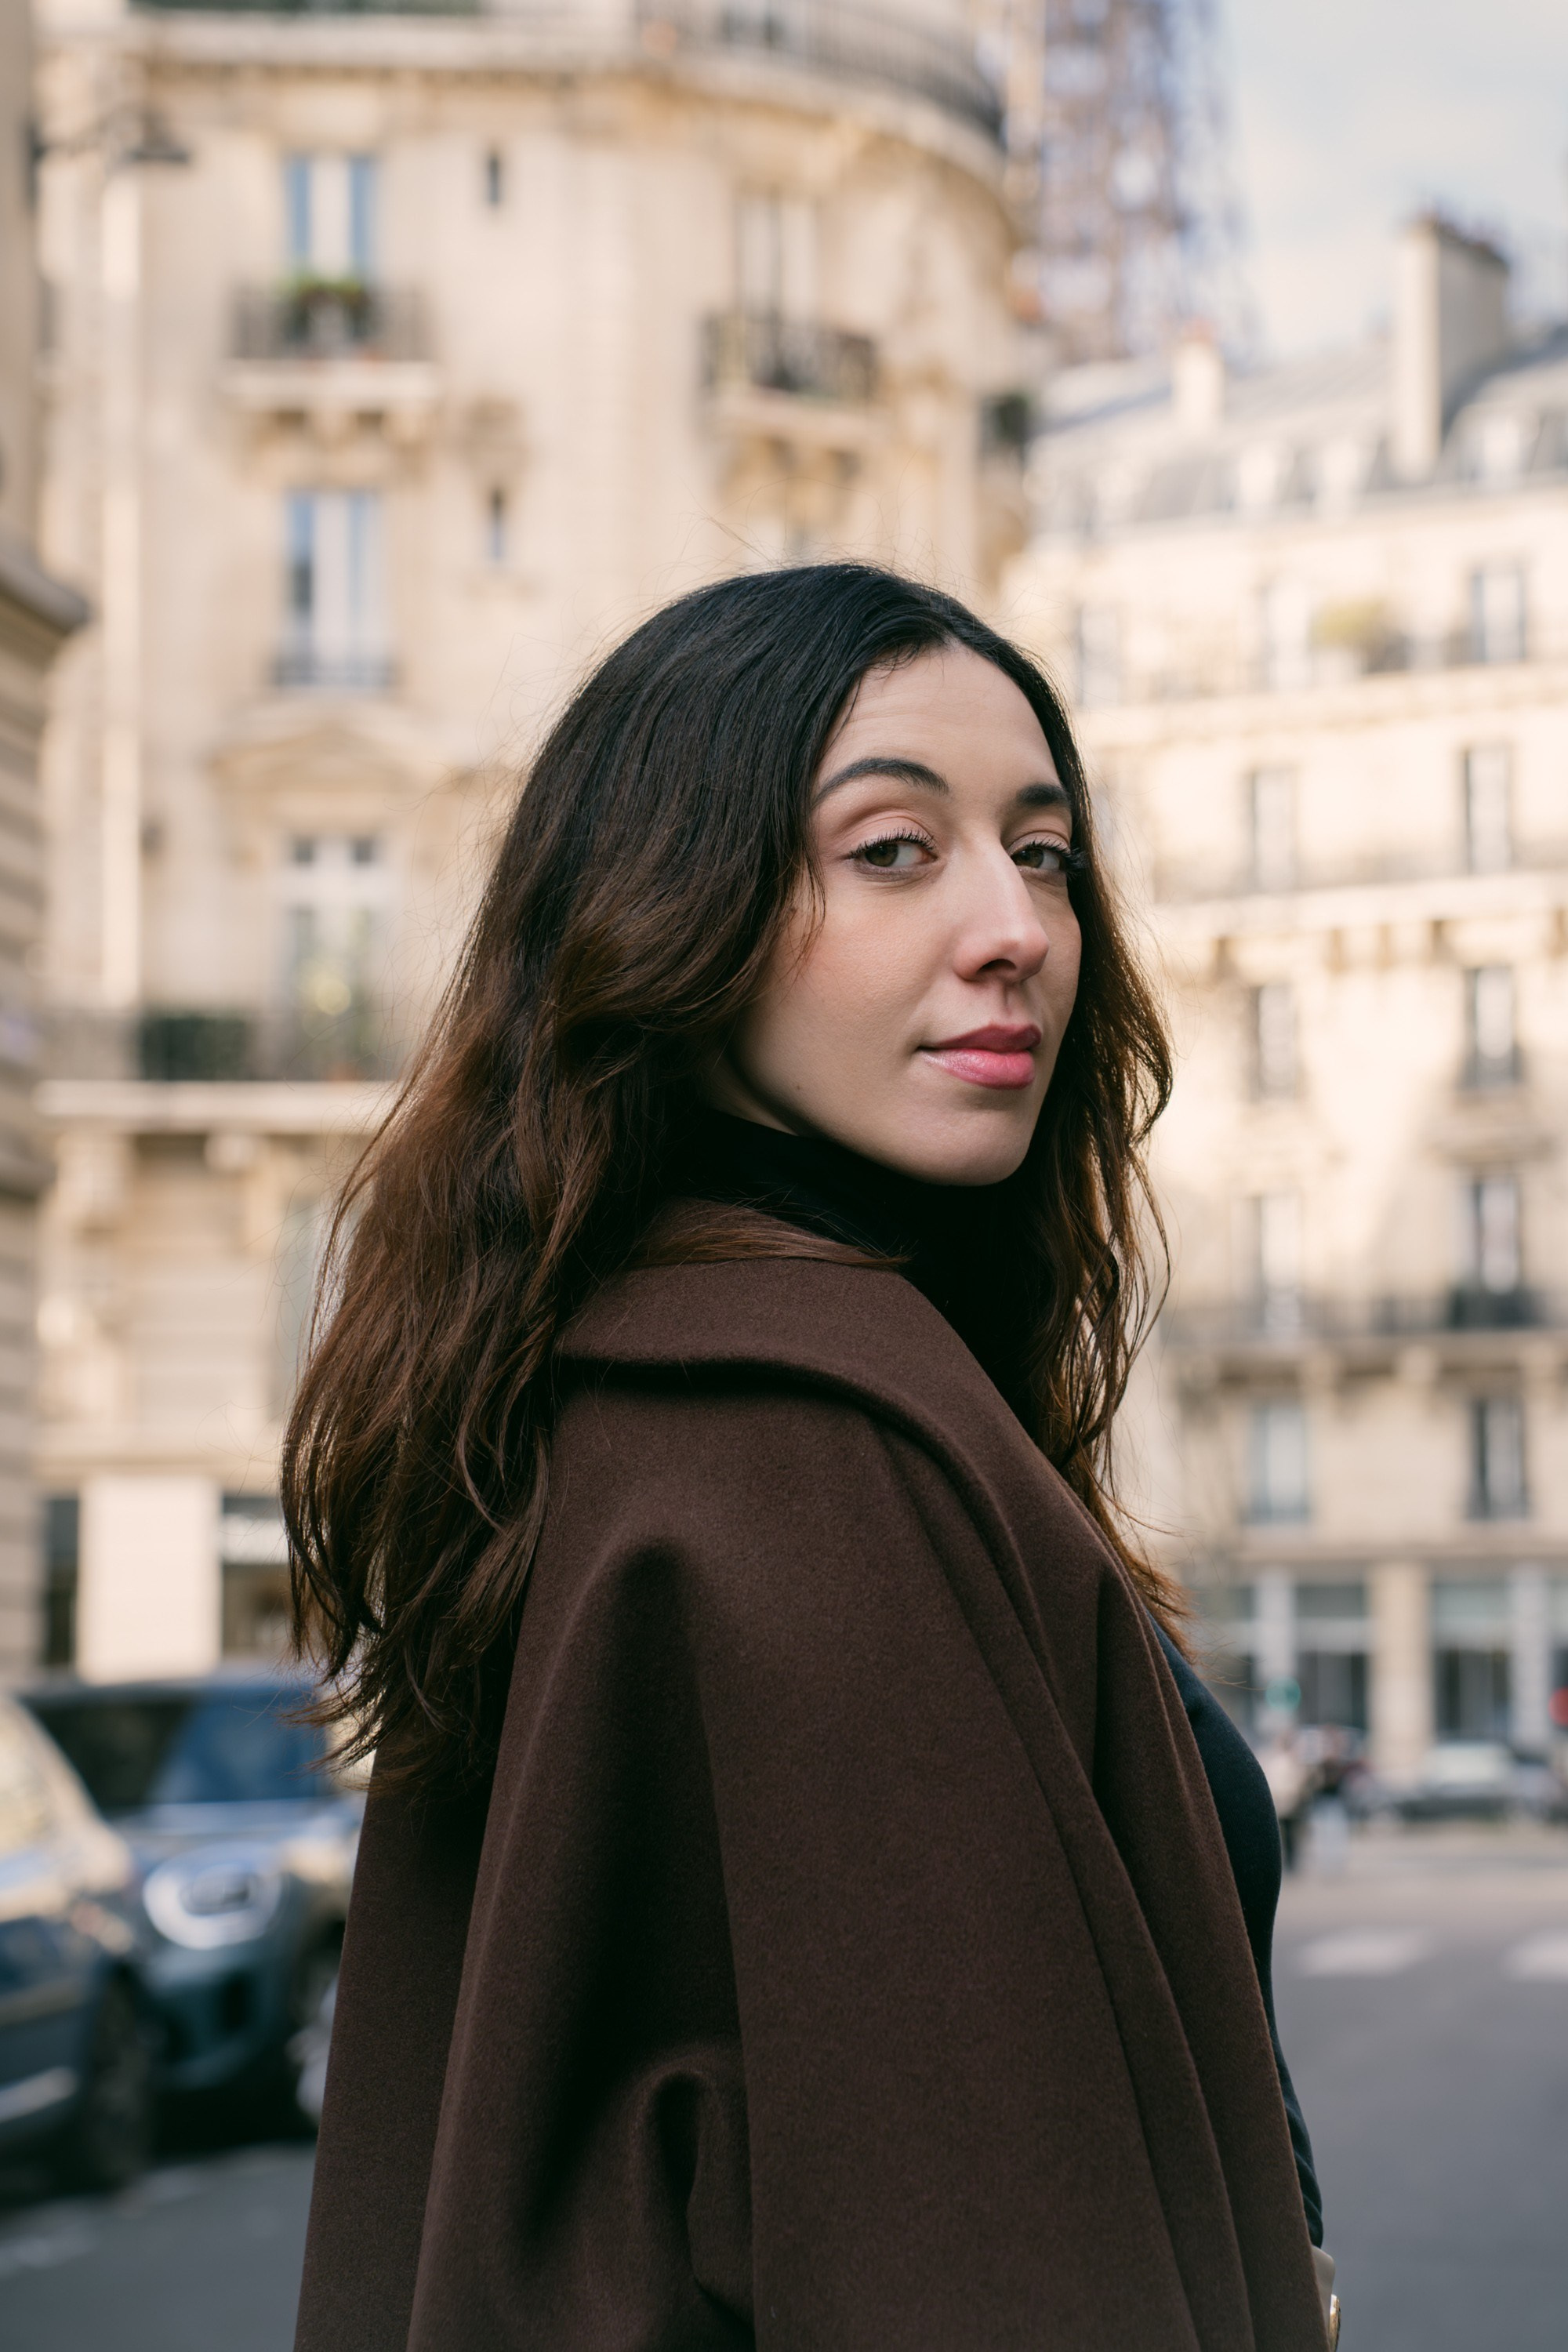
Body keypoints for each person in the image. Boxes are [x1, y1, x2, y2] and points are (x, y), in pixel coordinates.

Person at [287, 565, 1337, 2350]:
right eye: (893, 850)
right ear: (671, 913)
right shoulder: (806, 1448)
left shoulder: (626, 1387)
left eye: (1044, 853)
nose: (1016, 927)